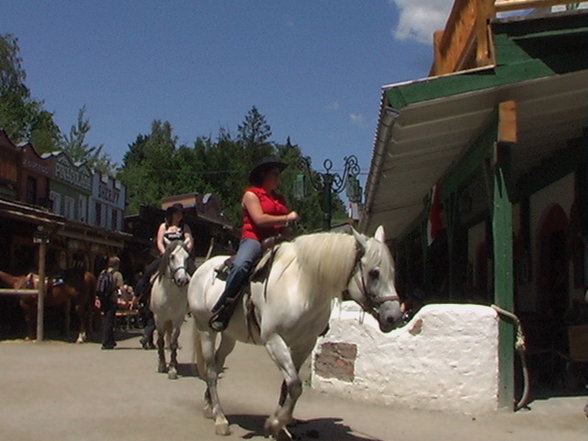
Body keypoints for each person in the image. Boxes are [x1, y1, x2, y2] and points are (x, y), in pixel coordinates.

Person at [209, 157, 300, 331]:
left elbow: (283, 224)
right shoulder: (251, 194)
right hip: (255, 239)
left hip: (277, 239)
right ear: (263, 175)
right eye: (274, 174)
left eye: (278, 174)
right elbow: (259, 219)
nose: (278, 178)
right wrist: (287, 218)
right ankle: (223, 306)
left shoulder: (279, 198)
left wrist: (290, 234)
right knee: (242, 265)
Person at [136, 202, 194, 349]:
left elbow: (189, 240)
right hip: (166, 255)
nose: (179, 216)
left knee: (195, 273)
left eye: (180, 213)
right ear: (171, 214)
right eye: (176, 213)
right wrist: (165, 254)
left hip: (181, 255)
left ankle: (193, 302)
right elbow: (160, 241)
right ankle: (143, 297)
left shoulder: (185, 228)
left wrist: (186, 250)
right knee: (149, 272)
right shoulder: (164, 226)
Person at [95, 256, 124, 350]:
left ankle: (111, 341)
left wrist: (98, 298)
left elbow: (99, 287)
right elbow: (121, 288)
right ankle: (106, 342)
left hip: (103, 299)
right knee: (110, 321)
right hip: (112, 299)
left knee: (106, 319)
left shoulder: (103, 273)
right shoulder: (117, 274)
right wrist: (121, 298)